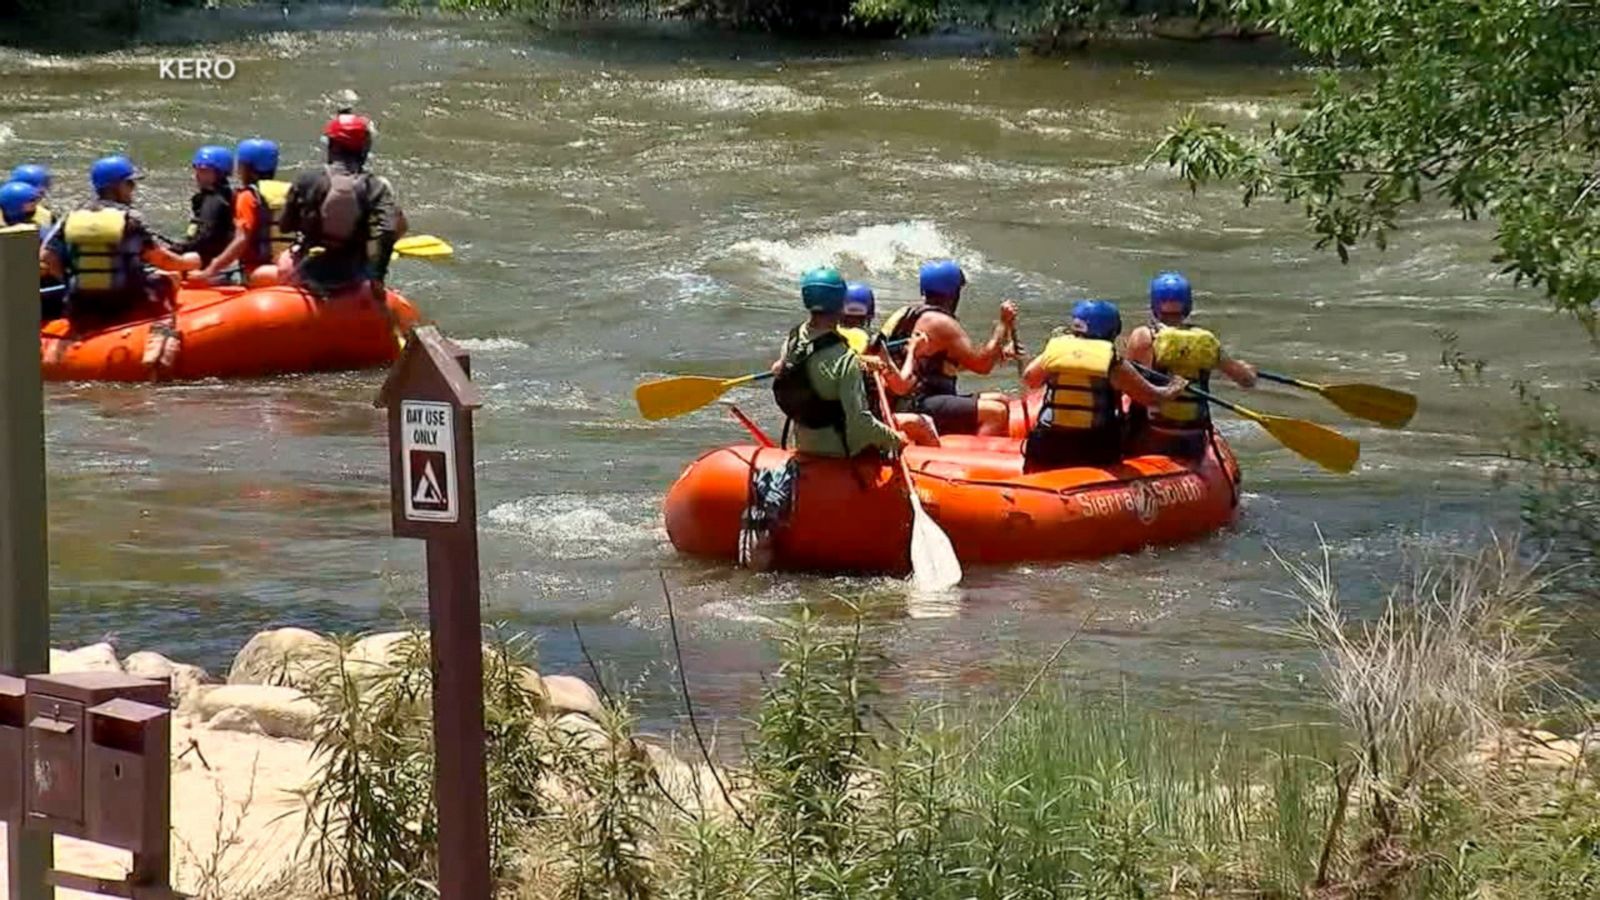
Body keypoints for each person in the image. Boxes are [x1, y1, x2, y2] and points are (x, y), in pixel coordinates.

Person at [1020, 300, 1186, 471]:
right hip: (1092, 449)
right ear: (1111, 331)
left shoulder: (1054, 351)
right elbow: (1150, 398)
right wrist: (1174, 387)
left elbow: (1030, 379)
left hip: (1046, 445)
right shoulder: (1112, 362)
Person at [40, 155, 200, 325]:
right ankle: (162, 329)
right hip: (124, 304)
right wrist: (190, 263)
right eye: (129, 183)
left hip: (81, 305)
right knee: (171, 277)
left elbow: (46, 257)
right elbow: (162, 260)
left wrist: (69, 279)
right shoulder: (130, 219)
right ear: (115, 187)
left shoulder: (70, 217)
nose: (133, 188)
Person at [773, 267, 907, 459]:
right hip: (840, 450)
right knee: (899, 439)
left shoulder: (793, 340)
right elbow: (860, 422)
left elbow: (799, 367)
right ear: (841, 302)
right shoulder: (845, 360)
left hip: (803, 443)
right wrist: (896, 439)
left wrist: (861, 361)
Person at [1124, 271, 1258, 459]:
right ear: (1188, 305)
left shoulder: (1142, 337)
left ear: (1154, 303)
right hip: (1192, 441)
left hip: (1150, 437)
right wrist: (1247, 370)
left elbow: (1123, 382)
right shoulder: (1205, 341)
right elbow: (1247, 381)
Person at [880, 259, 1018, 437]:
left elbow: (945, 364)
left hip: (908, 398)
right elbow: (982, 366)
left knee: (1002, 400)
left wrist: (999, 354)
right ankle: (975, 460)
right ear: (954, 293)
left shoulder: (906, 314)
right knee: (995, 412)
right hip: (918, 402)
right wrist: (1002, 325)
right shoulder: (942, 323)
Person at [277, 112, 405, 302]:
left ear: (332, 146)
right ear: (363, 149)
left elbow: (285, 225)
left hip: (307, 269)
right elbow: (389, 229)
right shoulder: (376, 186)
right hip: (353, 273)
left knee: (282, 262)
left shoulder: (306, 179)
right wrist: (377, 278)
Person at [840, 280, 939, 446]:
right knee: (924, 423)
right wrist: (913, 352)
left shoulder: (828, 338)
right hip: (858, 428)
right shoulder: (873, 345)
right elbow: (901, 386)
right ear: (869, 313)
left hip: (827, 424)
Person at [195, 138, 291, 285]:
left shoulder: (248, 196)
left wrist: (210, 270)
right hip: (289, 267)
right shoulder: (291, 190)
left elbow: (241, 240)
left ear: (245, 167)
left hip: (258, 272)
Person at [167, 145, 236, 270]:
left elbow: (205, 238)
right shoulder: (224, 195)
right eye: (197, 169)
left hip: (209, 263)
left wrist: (181, 248)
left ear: (220, 173)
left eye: (204, 171)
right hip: (215, 258)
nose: (198, 175)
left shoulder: (215, 201)